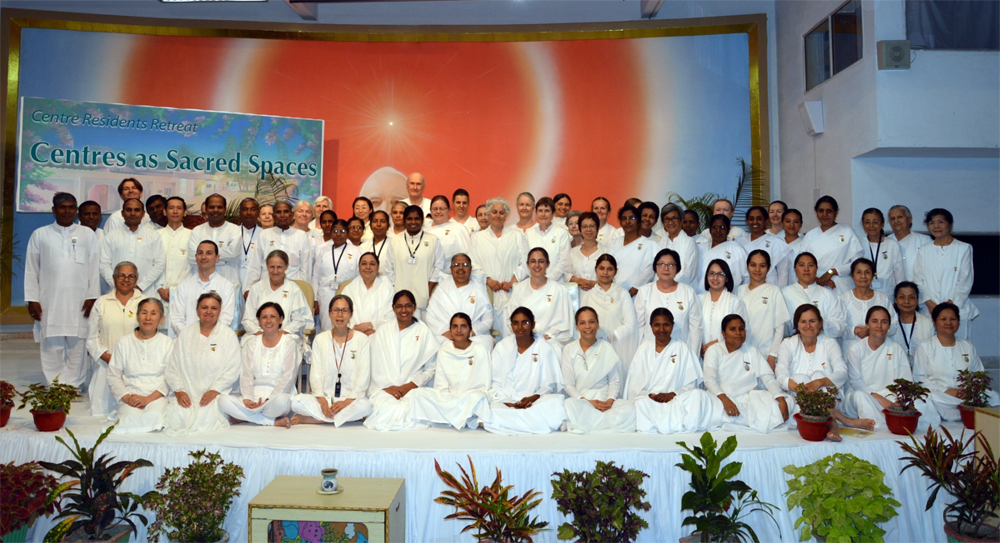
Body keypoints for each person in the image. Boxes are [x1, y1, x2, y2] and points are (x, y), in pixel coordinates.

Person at [25, 193, 100, 388]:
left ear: (76, 210)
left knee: (78, 344)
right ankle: (56, 385)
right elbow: (31, 268)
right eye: (62, 207)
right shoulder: (40, 234)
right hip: (49, 299)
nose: (67, 211)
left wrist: (93, 296)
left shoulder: (87, 234)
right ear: (54, 210)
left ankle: (74, 385)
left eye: (71, 207)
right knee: (52, 344)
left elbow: (94, 267)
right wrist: (32, 299)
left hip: (80, 299)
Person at [775, 304, 874, 441]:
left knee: (819, 375)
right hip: (799, 398)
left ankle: (832, 419)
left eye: (812, 321)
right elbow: (780, 374)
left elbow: (842, 372)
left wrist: (820, 382)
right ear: (797, 325)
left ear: (820, 323)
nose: (808, 326)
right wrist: (800, 388)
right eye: (803, 321)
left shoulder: (830, 343)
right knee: (799, 377)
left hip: (829, 397)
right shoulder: (788, 344)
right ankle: (839, 421)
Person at [625, 308, 716, 434]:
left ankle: (668, 424)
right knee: (640, 403)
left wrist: (672, 394)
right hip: (651, 401)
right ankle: (665, 425)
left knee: (697, 395)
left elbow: (691, 384)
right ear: (651, 326)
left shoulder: (682, 348)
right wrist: (650, 396)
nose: (661, 329)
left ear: (672, 326)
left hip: (676, 400)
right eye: (657, 325)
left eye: (666, 325)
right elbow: (634, 384)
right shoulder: (644, 349)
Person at [164, 292, 241, 436]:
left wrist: (215, 390)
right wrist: (179, 391)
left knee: (207, 422)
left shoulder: (228, 335)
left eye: (214, 308)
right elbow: (172, 367)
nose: (209, 311)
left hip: (214, 395)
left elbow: (233, 369)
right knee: (178, 420)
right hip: (187, 394)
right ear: (197, 310)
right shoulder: (185, 335)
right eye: (204, 307)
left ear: (219, 311)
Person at [482, 307, 566, 435]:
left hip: (535, 402)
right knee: (491, 407)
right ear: (511, 326)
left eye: (525, 322)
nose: (520, 327)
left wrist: (532, 398)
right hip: (507, 402)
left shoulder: (544, 348)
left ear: (533, 324)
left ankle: (510, 423)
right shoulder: (502, 347)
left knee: (555, 402)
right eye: (516, 323)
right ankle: (528, 422)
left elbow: (549, 386)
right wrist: (511, 404)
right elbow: (496, 384)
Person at [291, 295, 373, 426]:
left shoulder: (362, 339)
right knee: (296, 402)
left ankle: (318, 419)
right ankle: (343, 418)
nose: (340, 315)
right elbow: (315, 374)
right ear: (329, 313)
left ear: (351, 314)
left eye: (344, 310)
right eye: (336, 310)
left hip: (351, 400)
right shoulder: (320, 339)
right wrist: (322, 401)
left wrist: (347, 402)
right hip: (327, 399)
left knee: (366, 406)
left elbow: (363, 377)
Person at [913, 303, 999, 426]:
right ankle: (967, 411)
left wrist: (969, 391)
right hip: (941, 396)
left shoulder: (967, 345)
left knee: (993, 396)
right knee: (926, 399)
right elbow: (919, 379)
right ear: (934, 322)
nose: (948, 322)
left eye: (953, 319)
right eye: (943, 319)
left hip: (967, 395)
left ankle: (966, 410)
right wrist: (947, 391)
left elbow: (979, 373)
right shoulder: (925, 346)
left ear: (958, 322)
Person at [364, 290, 439, 431]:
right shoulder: (383, 331)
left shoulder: (423, 331)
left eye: (408, 306)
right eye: (399, 306)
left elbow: (431, 368)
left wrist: (411, 385)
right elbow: (374, 365)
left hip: (413, 389)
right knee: (387, 409)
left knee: (412, 411)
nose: (404, 310)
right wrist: (387, 387)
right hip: (385, 389)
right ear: (393, 308)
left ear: (414, 307)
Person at [704, 314, 790, 432]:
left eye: (741, 329)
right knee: (704, 403)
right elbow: (709, 380)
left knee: (789, 402)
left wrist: (780, 399)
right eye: (732, 329)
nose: (738, 333)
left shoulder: (752, 351)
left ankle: (737, 420)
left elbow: (768, 378)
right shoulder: (714, 350)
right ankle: (741, 419)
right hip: (721, 398)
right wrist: (725, 400)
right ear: (723, 333)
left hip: (748, 399)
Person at [218, 302, 300, 427]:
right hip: (254, 398)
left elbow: (288, 377)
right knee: (222, 400)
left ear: (281, 319)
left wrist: (268, 400)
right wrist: (247, 399)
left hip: (275, 400)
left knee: (282, 401)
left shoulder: (289, 343)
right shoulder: (252, 343)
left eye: (273, 317)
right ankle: (271, 421)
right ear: (259, 321)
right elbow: (246, 374)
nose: (268, 321)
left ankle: (247, 417)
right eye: (264, 317)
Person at [408, 313, 493, 429]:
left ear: (470, 330)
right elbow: (440, 386)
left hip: (470, 399)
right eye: (455, 326)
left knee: (480, 399)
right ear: (450, 330)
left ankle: (452, 417)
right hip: (450, 398)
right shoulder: (444, 351)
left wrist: (464, 401)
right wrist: (451, 401)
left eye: (463, 326)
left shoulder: (480, 350)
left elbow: (485, 386)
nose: (459, 330)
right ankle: (465, 418)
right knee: (417, 394)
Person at [86, 261, 147, 417]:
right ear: (113, 278)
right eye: (121, 276)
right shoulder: (101, 302)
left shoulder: (144, 302)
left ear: (136, 279)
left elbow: (151, 334)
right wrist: (108, 358)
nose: (126, 280)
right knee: (101, 415)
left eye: (131, 276)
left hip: (137, 369)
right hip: (107, 366)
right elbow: (91, 338)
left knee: (135, 414)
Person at [562, 307, 635, 433]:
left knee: (629, 408)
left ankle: (589, 422)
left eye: (591, 321)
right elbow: (568, 385)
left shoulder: (606, 347)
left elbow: (614, 382)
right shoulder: (569, 349)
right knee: (568, 404)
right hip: (582, 402)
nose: (587, 326)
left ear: (597, 324)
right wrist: (588, 402)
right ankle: (603, 423)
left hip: (604, 402)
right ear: (577, 326)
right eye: (582, 323)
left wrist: (609, 402)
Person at [843, 306, 914, 431]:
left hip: (889, 398)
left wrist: (898, 401)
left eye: (884, 322)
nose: (879, 326)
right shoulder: (856, 348)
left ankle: (887, 422)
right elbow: (856, 382)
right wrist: (879, 398)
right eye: (874, 321)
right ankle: (879, 427)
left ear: (889, 326)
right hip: (863, 395)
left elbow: (906, 381)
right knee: (860, 397)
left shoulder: (896, 349)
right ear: (867, 324)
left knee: (922, 402)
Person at [107, 298, 172, 434]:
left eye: (153, 313)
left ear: (161, 318)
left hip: (157, 398)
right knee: (130, 419)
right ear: (137, 316)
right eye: (144, 312)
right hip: (131, 397)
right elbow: (113, 376)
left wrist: (148, 399)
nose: (148, 318)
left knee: (156, 418)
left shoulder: (168, 343)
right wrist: (127, 398)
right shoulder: (123, 343)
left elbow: (171, 377)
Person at [914, 208, 977, 339]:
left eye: (941, 222)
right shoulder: (924, 250)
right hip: (929, 311)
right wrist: (930, 303)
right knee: (930, 347)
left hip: (956, 310)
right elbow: (918, 279)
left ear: (950, 225)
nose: (936, 226)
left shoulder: (963, 248)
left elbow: (965, 280)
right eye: (932, 223)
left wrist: (951, 306)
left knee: (958, 347)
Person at [470, 197, 529, 329]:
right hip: (486, 291)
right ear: (488, 214)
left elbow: (526, 262)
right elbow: (472, 264)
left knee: (511, 329)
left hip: (511, 293)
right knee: (487, 330)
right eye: (494, 212)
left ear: (506, 215)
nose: (498, 215)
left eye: (501, 213)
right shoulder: (477, 238)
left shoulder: (516, 236)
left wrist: (512, 282)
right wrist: (488, 280)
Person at [504, 248, 574, 350]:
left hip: (550, 341)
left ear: (548, 264)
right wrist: (526, 337)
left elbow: (564, 324)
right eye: (533, 261)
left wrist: (546, 337)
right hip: (523, 338)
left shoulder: (559, 290)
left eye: (541, 261)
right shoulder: (519, 289)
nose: (537, 265)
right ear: (528, 264)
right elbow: (511, 318)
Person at [633, 249, 702, 352]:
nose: (666, 268)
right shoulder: (644, 291)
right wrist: (640, 353)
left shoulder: (688, 292)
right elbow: (638, 327)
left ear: (677, 269)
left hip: (680, 352)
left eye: (671, 265)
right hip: (651, 351)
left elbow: (696, 327)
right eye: (661, 264)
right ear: (655, 268)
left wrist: (692, 355)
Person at [424, 254, 495, 350]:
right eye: (457, 265)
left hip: (474, 336)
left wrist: (471, 332)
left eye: (465, 265)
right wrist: (446, 332)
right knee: (434, 346)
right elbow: (429, 316)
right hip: (448, 337)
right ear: (451, 268)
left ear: (470, 269)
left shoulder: (478, 289)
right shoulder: (442, 289)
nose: (461, 268)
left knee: (483, 346)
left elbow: (488, 319)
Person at [581, 254, 639, 368]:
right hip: (593, 347)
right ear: (596, 270)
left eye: (610, 269)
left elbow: (630, 324)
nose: (605, 272)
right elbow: (581, 324)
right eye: (602, 268)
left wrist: (610, 338)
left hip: (617, 347)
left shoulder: (622, 294)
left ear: (615, 272)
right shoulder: (588, 296)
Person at [737, 250, 791, 370]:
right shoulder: (739, 291)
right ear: (747, 266)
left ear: (768, 268)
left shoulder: (774, 291)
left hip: (765, 350)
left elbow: (780, 327)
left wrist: (772, 355)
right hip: (740, 350)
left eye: (762, 266)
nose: (757, 270)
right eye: (753, 265)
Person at [170, 241, 238, 335]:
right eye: (200, 253)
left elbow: (226, 318)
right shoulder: (184, 286)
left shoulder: (226, 286)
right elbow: (176, 318)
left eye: (209, 253)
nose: (203, 257)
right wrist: (189, 336)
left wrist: (209, 336)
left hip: (216, 339)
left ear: (217, 258)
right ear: (196, 257)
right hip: (188, 339)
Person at [245, 201, 313, 294]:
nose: (282, 215)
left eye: (286, 211)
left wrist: (303, 290)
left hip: (293, 290)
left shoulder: (301, 236)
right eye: (278, 212)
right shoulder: (264, 235)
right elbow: (255, 265)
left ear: (292, 215)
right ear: (273, 216)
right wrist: (248, 288)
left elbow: (305, 268)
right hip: (266, 289)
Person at [390, 205, 446, 317]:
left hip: (424, 300)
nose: (413, 222)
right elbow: (389, 269)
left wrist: (428, 289)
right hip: (400, 300)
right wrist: (396, 290)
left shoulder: (433, 240)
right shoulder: (395, 241)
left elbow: (439, 266)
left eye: (417, 219)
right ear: (404, 220)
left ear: (422, 221)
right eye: (409, 219)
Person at [99, 198, 165, 295]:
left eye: (137, 210)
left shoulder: (153, 236)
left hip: (145, 292)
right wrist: (118, 285)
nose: (133, 213)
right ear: (122, 213)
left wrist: (140, 287)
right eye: (128, 210)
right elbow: (104, 264)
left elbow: (159, 264)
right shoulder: (111, 236)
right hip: (117, 292)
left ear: (143, 214)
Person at [801, 196, 863, 293]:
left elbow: (858, 264)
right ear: (816, 213)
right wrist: (817, 279)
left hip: (840, 286)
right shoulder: (810, 235)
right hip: (815, 284)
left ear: (836, 212)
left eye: (829, 211)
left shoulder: (847, 232)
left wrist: (832, 272)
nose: (824, 214)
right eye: (821, 211)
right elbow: (801, 262)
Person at [243, 250, 312, 335]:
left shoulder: (294, 289)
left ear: (286, 266)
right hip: (258, 335)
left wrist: (279, 335)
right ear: (267, 266)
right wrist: (261, 334)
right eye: (272, 267)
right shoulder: (256, 288)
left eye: (279, 267)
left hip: (286, 336)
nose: (275, 271)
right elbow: (247, 320)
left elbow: (298, 320)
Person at [781, 252, 847, 339]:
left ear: (816, 269)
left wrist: (820, 323)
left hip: (823, 344)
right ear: (795, 269)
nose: (806, 269)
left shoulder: (828, 295)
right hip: (794, 343)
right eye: (802, 265)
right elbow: (779, 326)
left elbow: (840, 327)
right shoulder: (784, 293)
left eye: (811, 265)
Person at [312, 220, 362, 330]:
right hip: (325, 295)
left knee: (345, 326)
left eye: (342, 231)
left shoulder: (356, 251)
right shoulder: (323, 251)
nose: (338, 234)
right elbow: (316, 275)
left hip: (348, 294)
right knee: (326, 327)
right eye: (335, 231)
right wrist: (314, 299)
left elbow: (359, 276)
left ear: (348, 233)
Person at [698, 259, 749, 357]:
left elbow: (740, 330)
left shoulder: (735, 302)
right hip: (701, 353)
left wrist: (715, 344)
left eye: (720, 274)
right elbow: (692, 326)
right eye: (712, 273)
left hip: (727, 353)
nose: (715, 278)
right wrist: (699, 345)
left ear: (727, 278)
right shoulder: (698, 300)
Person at [187, 194, 242, 285]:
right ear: (206, 210)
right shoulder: (197, 231)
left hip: (228, 283)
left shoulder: (235, 230)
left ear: (225, 210)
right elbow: (192, 258)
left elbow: (233, 253)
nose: (215, 210)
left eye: (219, 207)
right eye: (211, 207)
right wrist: (224, 260)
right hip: (201, 284)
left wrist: (204, 258)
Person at [156, 197, 191, 334]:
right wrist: (159, 287)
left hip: (182, 293)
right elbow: (152, 265)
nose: (175, 211)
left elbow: (192, 266)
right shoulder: (156, 236)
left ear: (185, 212)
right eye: (171, 208)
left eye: (179, 208)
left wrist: (176, 288)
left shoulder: (192, 235)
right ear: (165, 212)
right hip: (157, 293)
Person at [839, 258, 894, 345]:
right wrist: (854, 330)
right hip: (850, 349)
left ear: (873, 275)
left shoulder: (883, 299)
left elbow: (893, 326)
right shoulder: (843, 299)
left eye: (867, 272)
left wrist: (873, 330)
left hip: (878, 348)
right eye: (859, 272)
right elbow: (837, 327)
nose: (863, 276)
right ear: (852, 275)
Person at [608, 205, 658, 295]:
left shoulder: (649, 245)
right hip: (614, 293)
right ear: (620, 222)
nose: (628, 222)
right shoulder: (614, 243)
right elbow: (607, 266)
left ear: (639, 222)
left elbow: (649, 271)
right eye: (624, 218)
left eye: (632, 218)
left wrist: (633, 290)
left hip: (638, 295)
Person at [342, 252, 395, 336]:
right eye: (364, 264)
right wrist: (355, 328)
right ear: (359, 267)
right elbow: (341, 316)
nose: (368, 267)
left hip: (381, 335)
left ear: (378, 267)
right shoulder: (349, 289)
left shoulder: (386, 285)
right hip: (354, 335)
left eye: (372, 264)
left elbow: (392, 316)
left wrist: (372, 326)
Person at [740, 206, 792, 287]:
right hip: (745, 288)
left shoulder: (776, 243)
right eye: (751, 219)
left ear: (766, 221)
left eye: (759, 219)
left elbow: (783, 273)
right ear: (747, 221)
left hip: (770, 287)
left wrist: (779, 291)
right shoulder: (739, 242)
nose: (755, 222)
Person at [696, 215, 749, 293]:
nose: (718, 230)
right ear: (710, 230)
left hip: (730, 296)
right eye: (715, 227)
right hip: (701, 295)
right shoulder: (700, 248)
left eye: (722, 227)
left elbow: (747, 277)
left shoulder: (737, 250)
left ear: (728, 231)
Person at [525, 197, 573, 282]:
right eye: (540, 211)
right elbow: (525, 260)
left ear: (553, 213)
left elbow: (563, 261)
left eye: (547, 211)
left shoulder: (562, 233)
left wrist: (548, 280)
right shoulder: (529, 234)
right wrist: (537, 279)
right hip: (534, 282)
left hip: (556, 282)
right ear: (535, 213)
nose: (543, 214)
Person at [859, 208, 904, 298]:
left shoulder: (892, 245)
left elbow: (900, 275)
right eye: (867, 222)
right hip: (864, 293)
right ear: (863, 224)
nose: (871, 226)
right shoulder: (859, 244)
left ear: (882, 224)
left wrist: (900, 295)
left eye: (875, 222)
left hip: (888, 295)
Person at [426, 195, 473, 270]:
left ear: (448, 210)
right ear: (430, 210)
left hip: (450, 274)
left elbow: (467, 254)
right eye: (435, 209)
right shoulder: (424, 230)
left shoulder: (458, 228)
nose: (438, 211)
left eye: (442, 209)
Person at [658, 203, 700, 286]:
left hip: (682, 289)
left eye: (674, 218)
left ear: (681, 221)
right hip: (661, 290)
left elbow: (688, 274)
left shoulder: (690, 243)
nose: (670, 222)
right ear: (663, 223)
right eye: (667, 219)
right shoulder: (659, 244)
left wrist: (669, 286)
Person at [888, 204, 931, 282]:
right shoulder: (885, 242)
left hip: (919, 288)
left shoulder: (924, 241)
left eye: (900, 217)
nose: (896, 221)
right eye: (892, 218)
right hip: (893, 288)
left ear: (910, 219)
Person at [892, 281, 934, 362]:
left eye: (911, 297)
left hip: (923, 367)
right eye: (902, 297)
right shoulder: (890, 323)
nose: (906, 301)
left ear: (917, 300)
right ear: (896, 300)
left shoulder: (928, 323)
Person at [569, 212, 606, 291]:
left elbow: (611, 277)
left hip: (600, 294)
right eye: (585, 226)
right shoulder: (572, 252)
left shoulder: (606, 251)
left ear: (597, 228)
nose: (588, 229)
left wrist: (594, 284)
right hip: (577, 295)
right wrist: (578, 281)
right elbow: (566, 274)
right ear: (580, 229)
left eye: (592, 226)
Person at [359, 210, 395, 283]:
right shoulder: (364, 246)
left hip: (388, 284)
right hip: (367, 283)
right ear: (370, 226)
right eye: (375, 221)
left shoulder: (394, 244)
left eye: (382, 221)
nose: (378, 224)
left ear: (388, 226)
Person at [238, 198, 262, 288]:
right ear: (240, 213)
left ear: (258, 213)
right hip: (235, 279)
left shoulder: (264, 234)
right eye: (245, 209)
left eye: (253, 209)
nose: (249, 213)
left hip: (257, 282)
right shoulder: (232, 232)